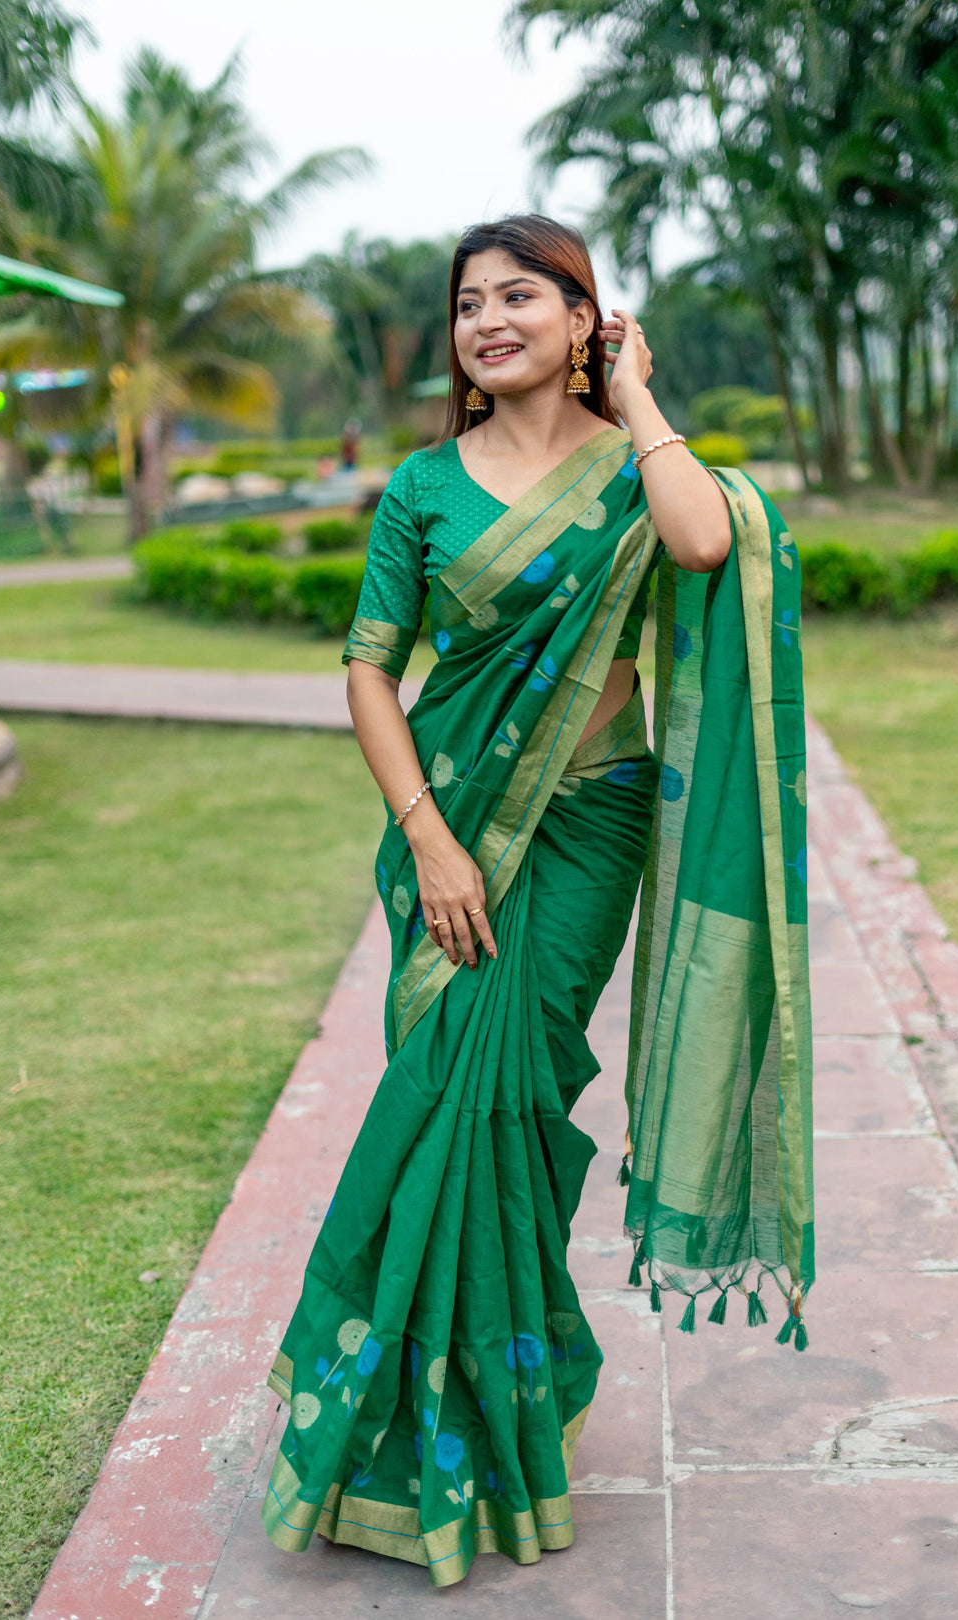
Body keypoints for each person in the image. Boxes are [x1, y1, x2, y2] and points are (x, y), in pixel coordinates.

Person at [261, 214, 814, 1587]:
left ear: (584, 318)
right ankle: (424, 1413)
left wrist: (636, 394)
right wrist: (431, 840)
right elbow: (372, 670)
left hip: (589, 826)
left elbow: (702, 546)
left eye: (522, 296)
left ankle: (497, 1398)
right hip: (447, 830)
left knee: (513, 1097)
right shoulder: (421, 488)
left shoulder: (636, 468)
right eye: (468, 304)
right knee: (450, 1094)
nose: (488, 320)